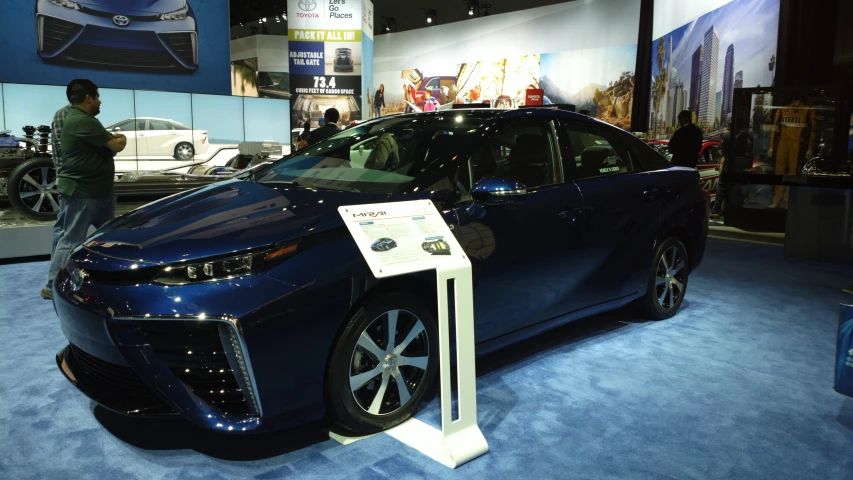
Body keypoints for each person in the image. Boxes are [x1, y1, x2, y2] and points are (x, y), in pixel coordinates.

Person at [41, 79, 127, 300]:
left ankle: (109, 277)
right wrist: (122, 137)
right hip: (84, 191)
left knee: (108, 234)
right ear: (89, 97)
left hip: (96, 190)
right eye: (97, 97)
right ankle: (52, 286)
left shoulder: (75, 118)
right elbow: (116, 145)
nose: (99, 102)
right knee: (70, 239)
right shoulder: (83, 121)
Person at [48, 89, 76, 258]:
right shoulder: (65, 115)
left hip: (73, 180)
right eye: (96, 96)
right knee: (65, 228)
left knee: (65, 226)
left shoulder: (73, 115)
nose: (99, 101)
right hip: (72, 180)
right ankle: (56, 272)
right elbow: (66, 149)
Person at [710, 132, 731, 219]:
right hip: (736, 166)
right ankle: (724, 210)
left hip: (727, 167)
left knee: (721, 189)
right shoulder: (742, 136)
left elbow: (724, 154)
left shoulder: (727, 137)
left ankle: (715, 211)